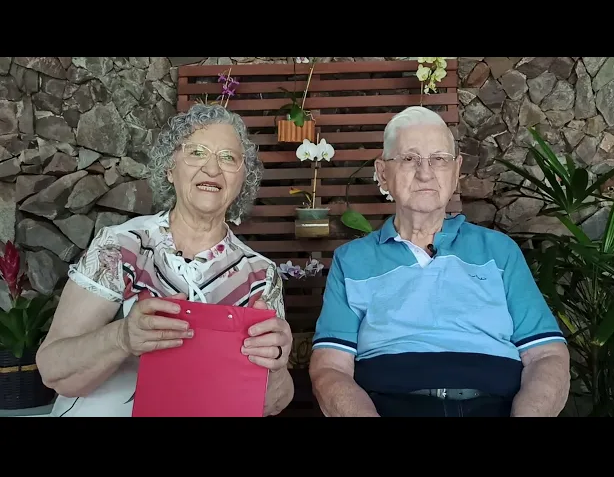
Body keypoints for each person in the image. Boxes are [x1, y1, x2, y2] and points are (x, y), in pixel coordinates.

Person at [308, 106, 570, 417]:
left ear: (456, 171)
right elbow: (330, 368)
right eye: (409, 158)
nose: (425, 172)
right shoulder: (351, 261)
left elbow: (546, 355)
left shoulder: (500, 252)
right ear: (383, 173)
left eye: (439, 159)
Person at [36, 104, 294, 417]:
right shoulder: (120, 248)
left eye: (228, 157)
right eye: (197, 152)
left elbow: (271, 403)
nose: (212, 169)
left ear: (243, 179)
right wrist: (123, 337)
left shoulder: (260, 275)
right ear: (170, 169)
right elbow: (53, 371)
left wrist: (276, 364)